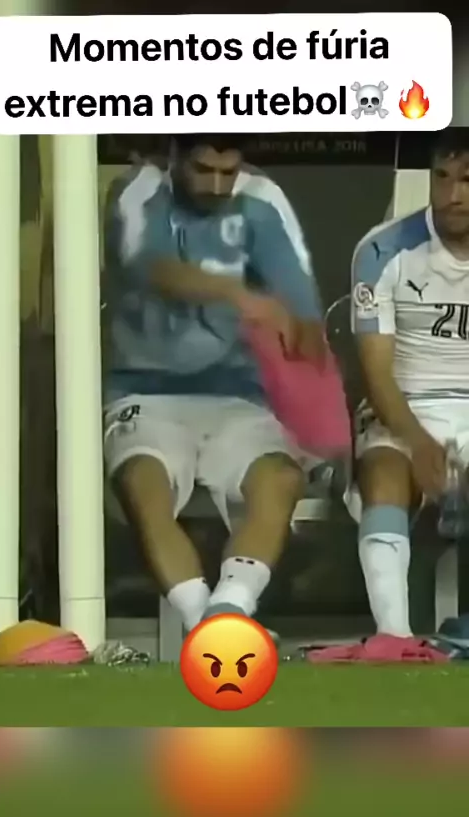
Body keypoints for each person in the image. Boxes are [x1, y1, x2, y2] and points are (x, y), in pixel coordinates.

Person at [102, 133, 326, 633]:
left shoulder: (262, 197)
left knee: (280, 480)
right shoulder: (138, 189)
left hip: (240, 396)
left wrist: (302, 336)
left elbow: (297, 292)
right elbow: (152, 268)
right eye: (204, 170)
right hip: (146, 393)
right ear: (175, 157)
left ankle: (226, 614)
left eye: (229, 172)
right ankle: (206, 622)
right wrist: (237, 293)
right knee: (143, 485)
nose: (218, 185)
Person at [349, 128, 469, 639]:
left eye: (467, 180)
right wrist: (420, 444)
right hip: (403, 407)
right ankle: (393, 640)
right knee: (384, 477)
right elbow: (377, 375)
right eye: (442, 177)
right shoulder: (382, 250)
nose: (452, 194)